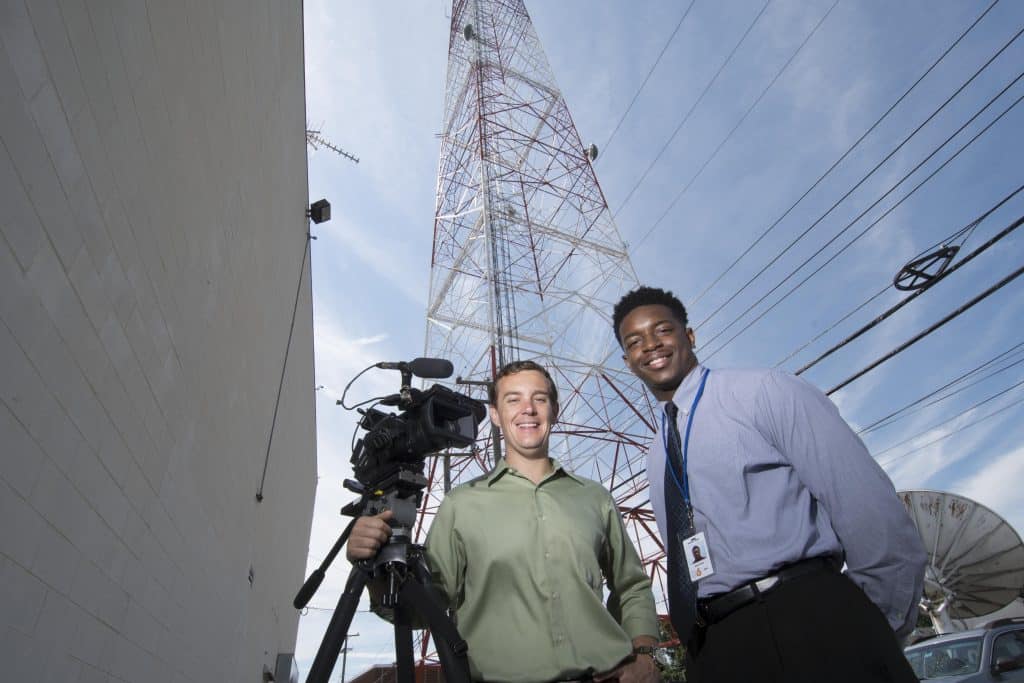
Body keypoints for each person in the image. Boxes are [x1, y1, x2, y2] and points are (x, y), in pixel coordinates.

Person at [612, 286, 927, 683]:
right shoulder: (657, 455)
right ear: (627, 361)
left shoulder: (765, 392)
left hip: (813, 620)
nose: (651, 346)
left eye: (662, 330)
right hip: (718, 647)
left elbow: (869, 511)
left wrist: (868, 626)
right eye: (635, 341)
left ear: (688, 336)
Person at [347, 360, 661, 682]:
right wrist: (374, 567)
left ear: (554, 409)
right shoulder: (461, 504)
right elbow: (422, 609)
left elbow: (632, 585)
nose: (528, 409)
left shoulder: (595, 498)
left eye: (539, 399)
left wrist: (646, 653)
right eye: (513, 400)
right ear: (496, 415)